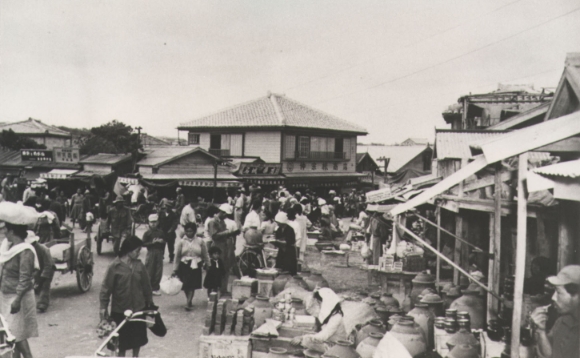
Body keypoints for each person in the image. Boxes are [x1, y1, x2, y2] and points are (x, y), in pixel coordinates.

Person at [100, 236, 155, 357]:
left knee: (137, 340)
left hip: (138, 310)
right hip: (120, 311)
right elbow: (106, 289)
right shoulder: (114, 266)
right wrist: (103, 308)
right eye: (137, 250)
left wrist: (150, 304)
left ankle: (135, 356)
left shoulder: (139, 265)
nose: (138, 253)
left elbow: (147, 287)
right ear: (128, 250)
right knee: (121, 342)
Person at [0, 221, 40, 358]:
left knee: (16, 335)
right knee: (11, 333)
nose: (4, 232)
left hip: (19, 297)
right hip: (6, 295)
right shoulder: (8, 248)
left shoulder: (25, 251)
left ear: (13, 232)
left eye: (6, 229)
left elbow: (25, 278)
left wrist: (17, 300)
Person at [531, 264, 579, 358]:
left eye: (559, 292)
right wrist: (541, 330)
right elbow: (549, 355)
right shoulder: (562, 321)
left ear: (577, 296)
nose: (553, 297)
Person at [291, 288, 348, 353]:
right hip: (327, 341)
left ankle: (306, 351)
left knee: (307, 341)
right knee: (308, 339)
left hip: (337, 347)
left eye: (319, 302)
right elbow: (310, 309)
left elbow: (323, 336)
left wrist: (302, 337)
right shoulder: (329, 314)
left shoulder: (336, 317)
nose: (319, 305)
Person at [172, 222, 209, 311]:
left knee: (192, 284)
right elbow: (177, 256)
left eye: (191, 231)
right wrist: (175, 269)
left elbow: (205, 254)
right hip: (184, 265)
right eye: (187, 231)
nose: (189, 233)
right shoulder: (181, 242)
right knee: (185, 285)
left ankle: (188, 302)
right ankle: (189, 299)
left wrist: (208, 264)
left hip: (196, 265)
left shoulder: (200, 241)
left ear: (195, 231)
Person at [208, 204, 239, 294]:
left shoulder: (222, 221)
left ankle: (223, 289)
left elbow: (225, 234)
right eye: (225, 214)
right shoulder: (213, 222)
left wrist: (232, 233)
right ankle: (214, 290)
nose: (226, 216)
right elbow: (214, 235)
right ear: (221, 212)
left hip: (224, 246)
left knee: (225, 268)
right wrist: (227, 232)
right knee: (216, 269)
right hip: (217, 247)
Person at [25, 231, 54, 313]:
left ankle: (42, 304)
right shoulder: (28, 250)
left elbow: (48, 265)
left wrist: (43, 276)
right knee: (37, 284)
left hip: (48, 268)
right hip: (38, 269)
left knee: (45, 284)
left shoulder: (43, 249)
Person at [142, 214, 165, 296]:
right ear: (148, 223)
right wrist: (152, 243)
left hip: (159, 252)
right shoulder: (147, 233)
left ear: (158, 222)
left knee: (158, 271)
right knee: (149, 270)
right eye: (151, 222)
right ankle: (148, 288)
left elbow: (164, 243)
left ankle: (155, 288)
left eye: (155, 222)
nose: (153, 224)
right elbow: (143, 244)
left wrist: (162, 252)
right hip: (151, 252)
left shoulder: (161, 232)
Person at [273, 211, 297, 276]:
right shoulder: (279, 229)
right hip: (281, 251)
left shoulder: (290, 230)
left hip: (289, 252)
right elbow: (277, 239)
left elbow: (290, 241)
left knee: (288, 270)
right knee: (279, 268)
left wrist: (278, 241)